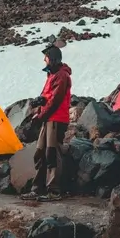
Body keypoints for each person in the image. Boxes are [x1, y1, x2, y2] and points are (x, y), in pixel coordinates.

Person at [20, 44, 72, 202]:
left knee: (52, 152)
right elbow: (49, 96)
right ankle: (38, 188)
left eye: (47, 57)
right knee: (40, 152)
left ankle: (54, 190)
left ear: (53, 59)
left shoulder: (62, 76)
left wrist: (40, 116)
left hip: (56, 119)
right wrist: (40, 101)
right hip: (48, 118)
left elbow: (55, 101)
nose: (44, 60)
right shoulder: (52, 75)